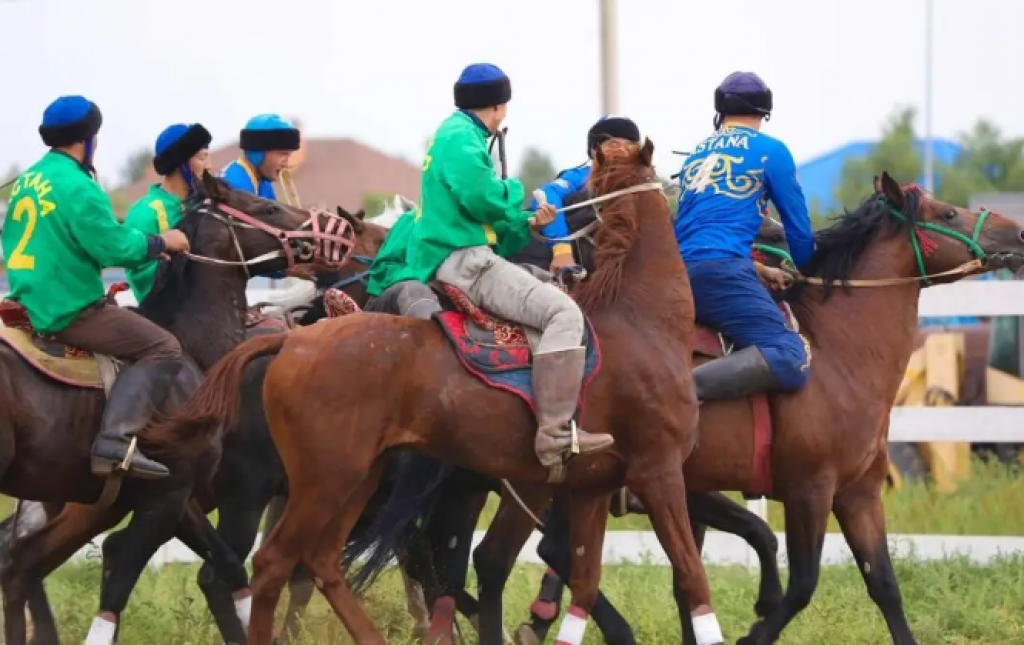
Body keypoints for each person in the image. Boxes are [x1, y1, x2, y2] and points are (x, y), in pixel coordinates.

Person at [376, 63, 615, 469]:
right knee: (562, 312)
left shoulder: (453, 135)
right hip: (466, 262)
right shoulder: (462, 138)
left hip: (456, 255)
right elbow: (482, 197)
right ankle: (555, 434)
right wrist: (518, 191)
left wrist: (527, 221)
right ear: (499, 107)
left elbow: (481, 212)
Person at [2, 96, 192, 479]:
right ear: (87, 140)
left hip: (22, 299)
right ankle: (116, 441)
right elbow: (113, 246)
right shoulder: (79, 185)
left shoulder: (27, 181)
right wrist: (162, 242)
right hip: (67, 308)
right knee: (165, 347)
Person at [674, 72, 816, 401]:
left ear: (720, 111)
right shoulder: (771, 151)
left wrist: (761, 270)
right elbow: (798, 229)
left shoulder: (697, 154)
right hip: (720, 276)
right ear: (764, 112)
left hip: (678, 275)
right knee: (790, 356)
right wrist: (808, 266)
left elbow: (699, 238)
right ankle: (680, 394)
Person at [526, 115, 642, 272]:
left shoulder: (645, 185)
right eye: (613, 144)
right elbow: (546, 195)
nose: (622, 150)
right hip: (581, 266)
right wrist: (562, 251)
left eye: (630, 145)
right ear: (594, 150)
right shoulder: (581, 177)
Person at [125, 123, 213, 302]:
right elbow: (141, 280)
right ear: (180, 163)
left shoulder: (207, 205)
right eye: (202, 158)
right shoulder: (144, 212)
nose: (210, 166)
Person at [220, 114, 300, 199]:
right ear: (258, 153)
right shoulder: (235, 187)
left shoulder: (263, 182)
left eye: (289, 155)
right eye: (282, 154)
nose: (286, 164)